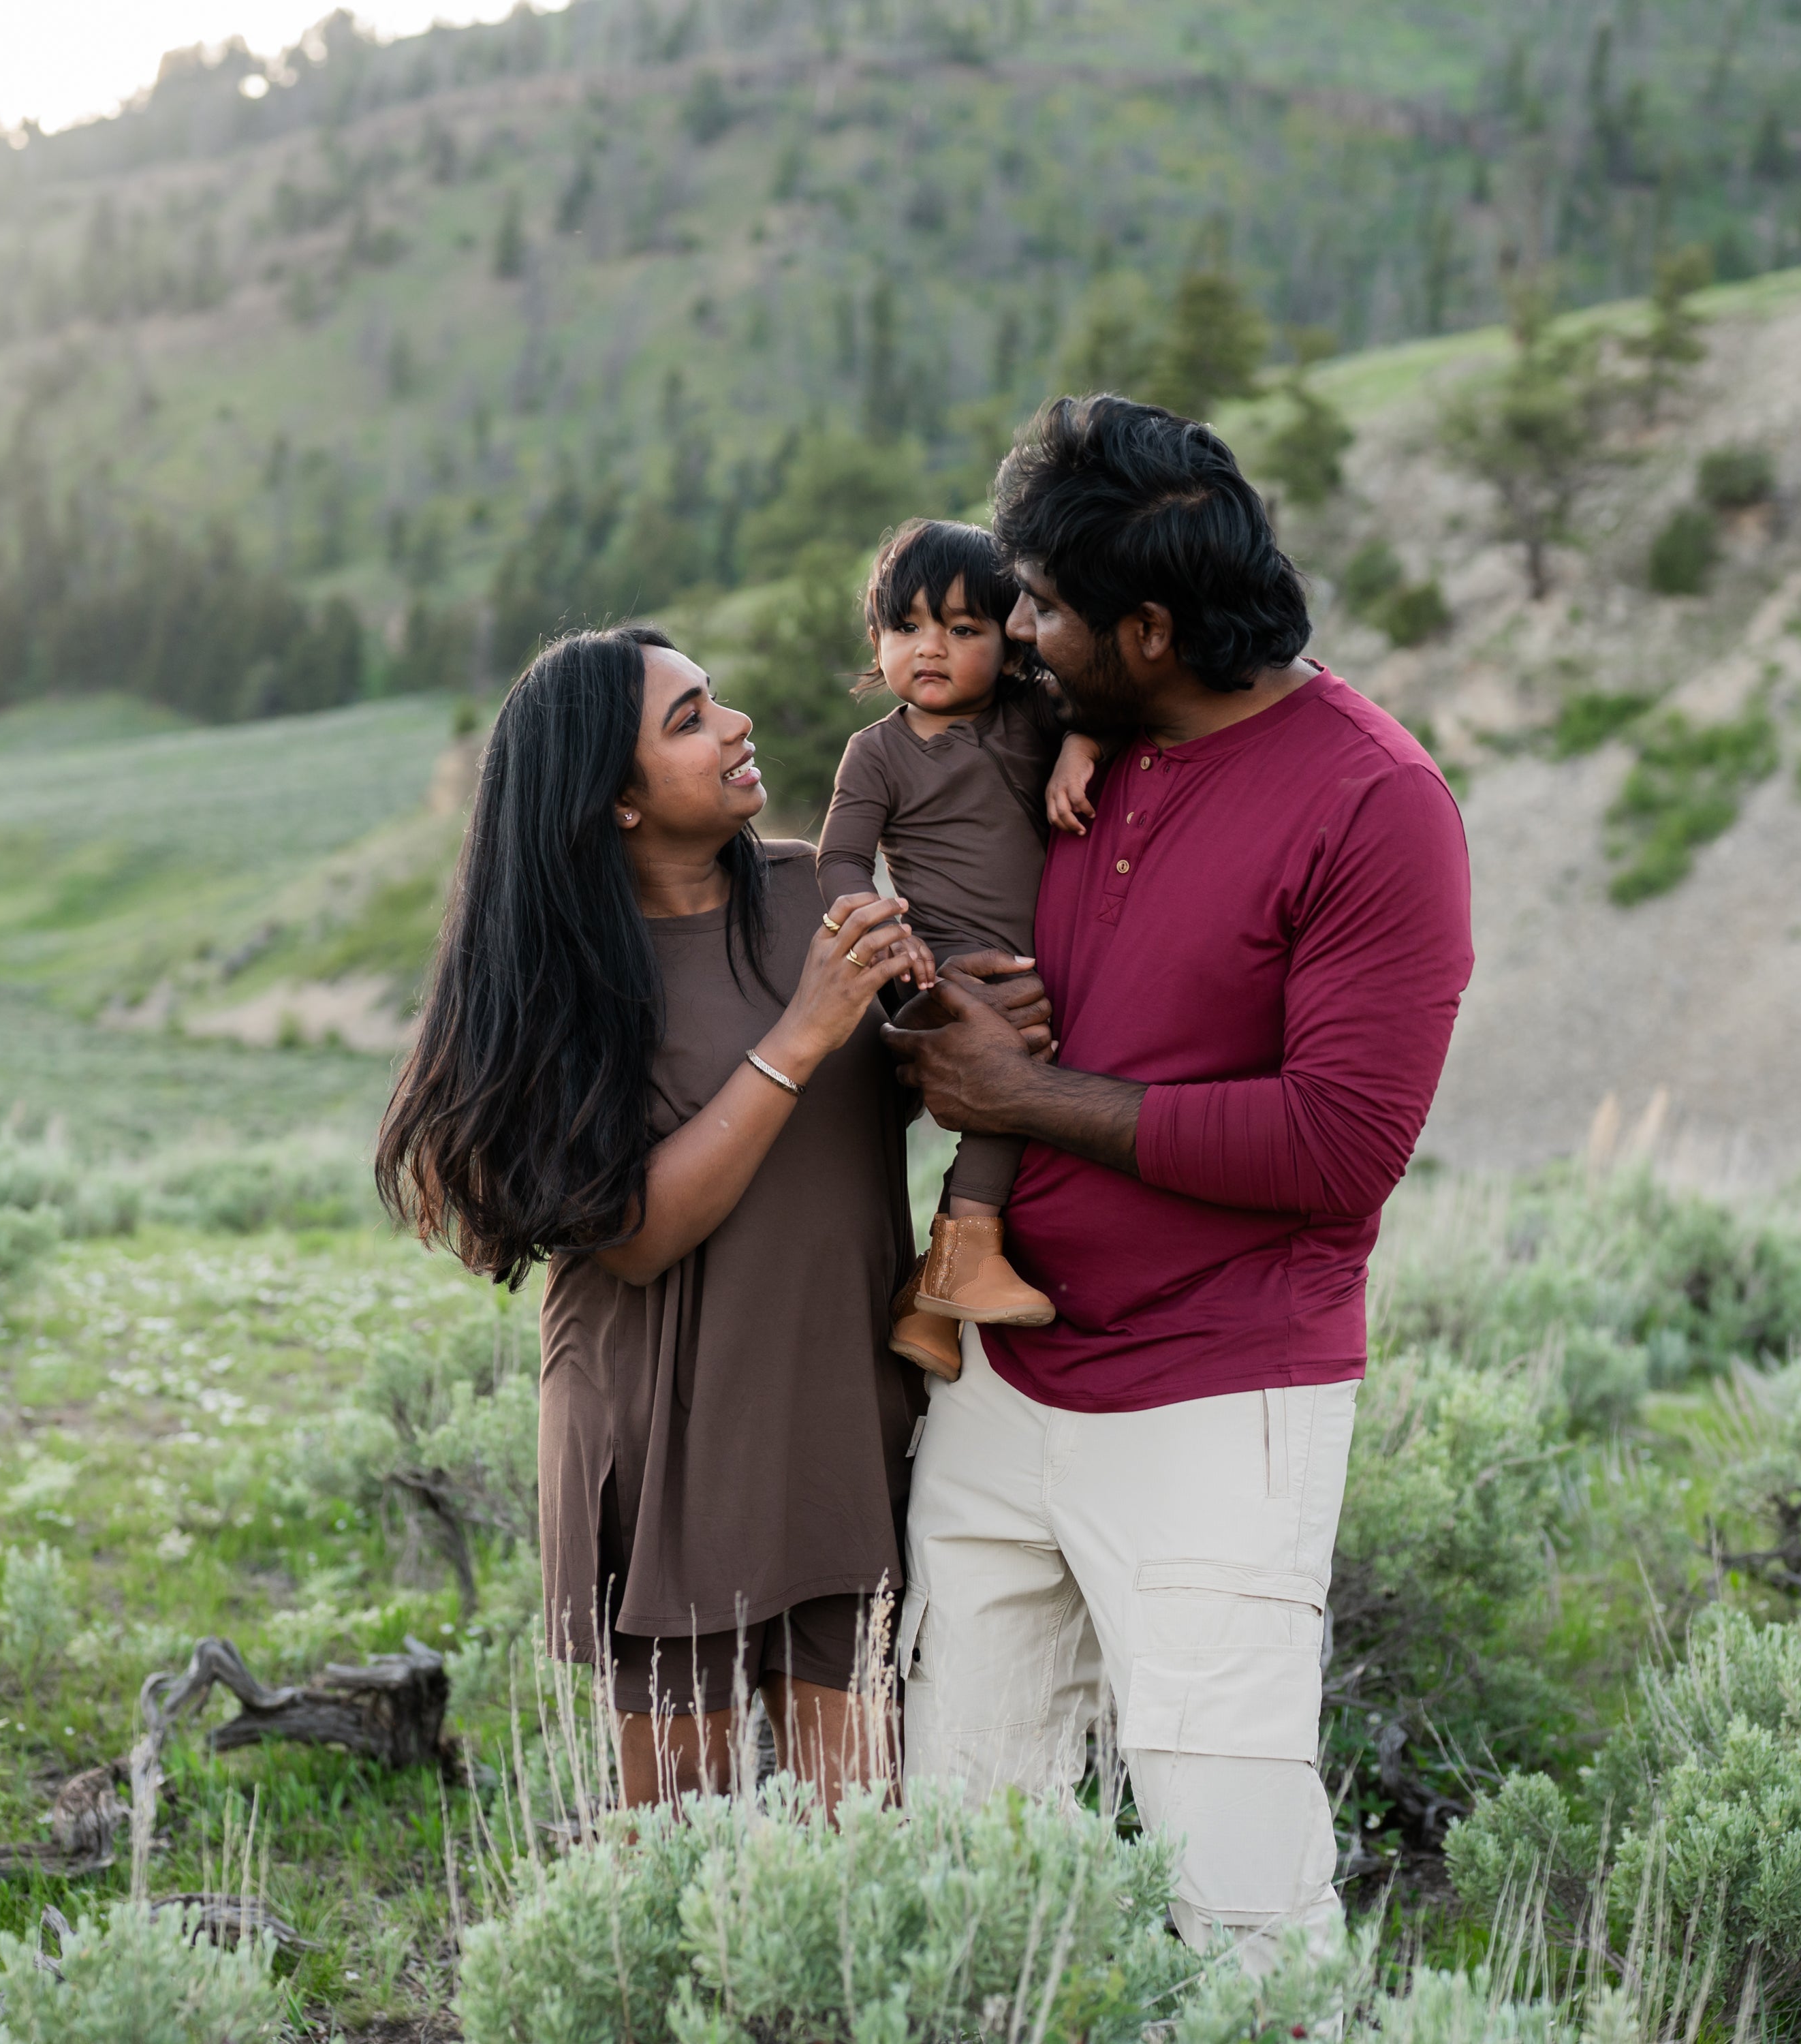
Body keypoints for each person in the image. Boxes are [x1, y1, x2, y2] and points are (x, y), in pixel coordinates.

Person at [883, 397, 1473, 1962]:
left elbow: (1340, 1143)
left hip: (1217, 1407)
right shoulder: (1064, 733)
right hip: (1002, 1387)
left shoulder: (1372, 803)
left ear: (1146, 629)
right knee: (958, 1863)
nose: (1017, 629)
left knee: (1239, 1895)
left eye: (1046, 609)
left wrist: (1031, 1098)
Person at [374, 626, 1016, 1811]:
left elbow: (891, 1111)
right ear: (615, 800)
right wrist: (808, 1030)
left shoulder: (811, 896)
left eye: (716, 700)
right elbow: (631, 1231)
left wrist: (970, 1029)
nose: (737, 726)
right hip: (667, 1420)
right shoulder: (562, 978)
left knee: (857, 1825)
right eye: (690, 720)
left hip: (836, 1392)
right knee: (675, 1834)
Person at [817, 518, 1102, 1380]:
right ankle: (966, 1250)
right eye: (907, 628)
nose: (930, 649)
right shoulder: (876, 756)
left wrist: (1077, 751)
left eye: (962, 628)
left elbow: (1103, 714)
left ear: (1013, 644)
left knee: (1040, 1082)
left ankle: (924, 1304)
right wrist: (882, 932)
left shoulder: (1031, 715)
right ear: (877, 640)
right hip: (940, 965)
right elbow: (836, 861)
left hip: (1039, 959)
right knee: (1010, 1073)